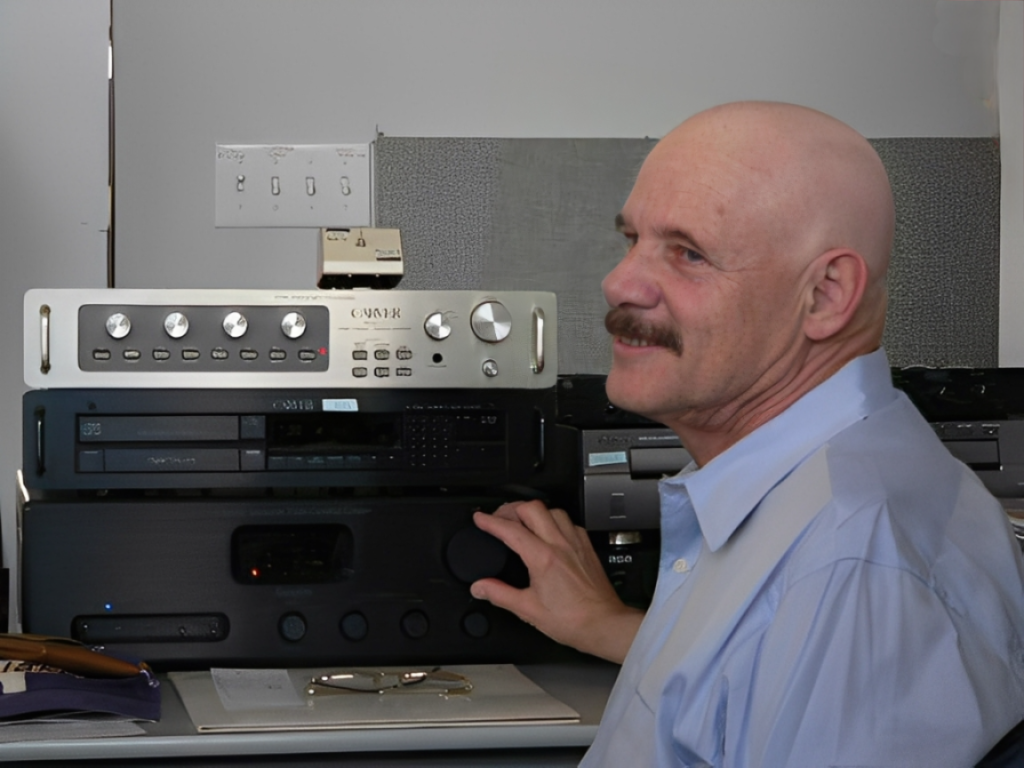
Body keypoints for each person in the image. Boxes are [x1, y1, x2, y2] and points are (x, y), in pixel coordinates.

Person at [470, 101, 1024, 767]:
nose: (619, 283)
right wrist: (608, 626)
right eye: (632, 240)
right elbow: (767, 675)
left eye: (688, 253)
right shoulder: (811, 499)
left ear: (824, 295)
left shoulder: (855, 572)